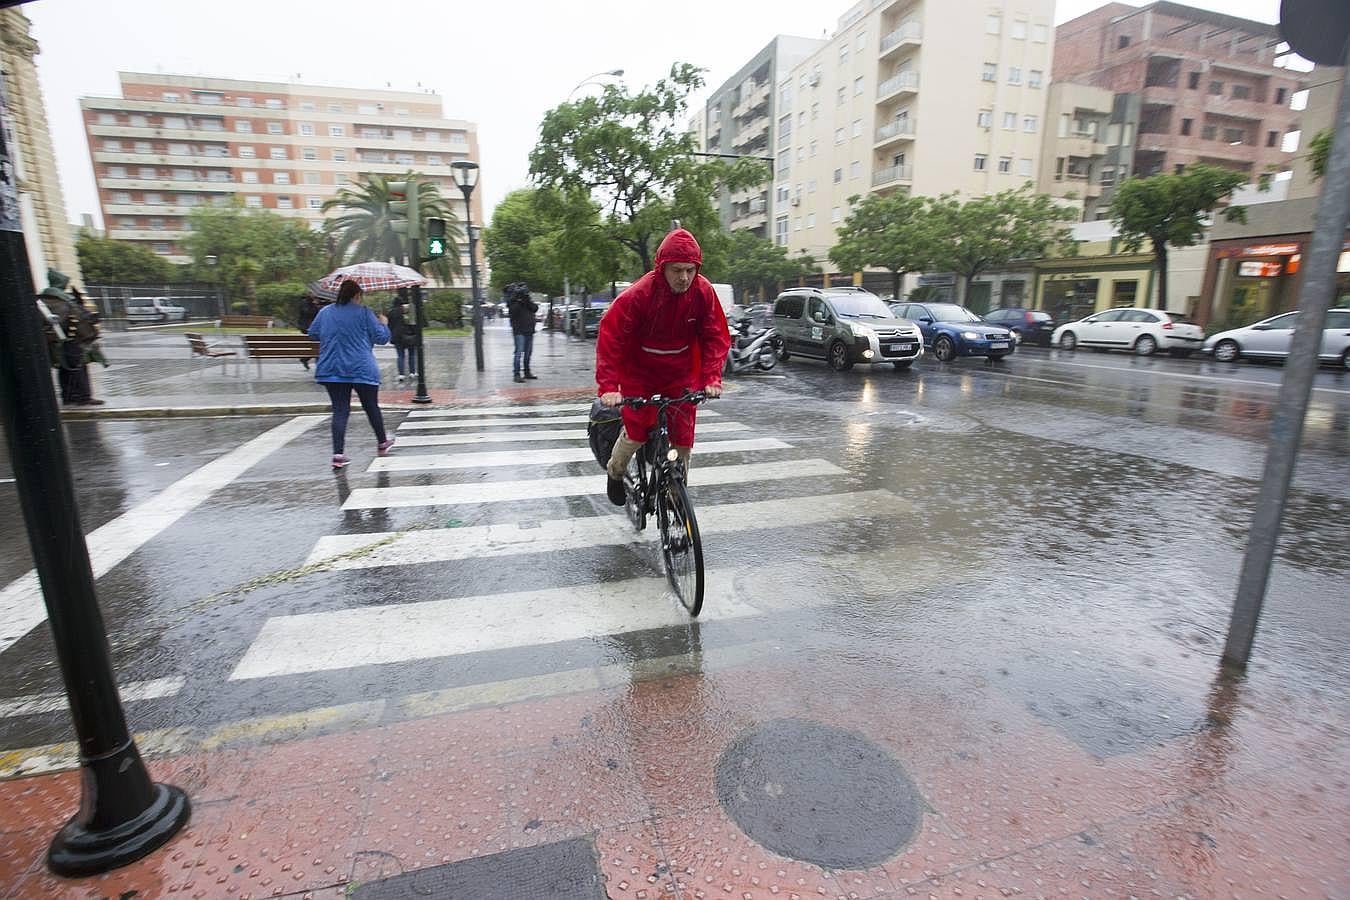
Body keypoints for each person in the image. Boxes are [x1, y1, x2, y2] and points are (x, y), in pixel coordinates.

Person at [595, 228, 731, 505]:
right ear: (662, 267)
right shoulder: (639, 295)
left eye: (690, 271)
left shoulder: (703, 292)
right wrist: (609, 387)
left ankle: (675, 492)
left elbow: (716, 336)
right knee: (637, 432)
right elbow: (611, 337)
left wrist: (712, 378)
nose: (684, 277)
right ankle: (615, 470)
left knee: (683, 436)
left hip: (680, 371)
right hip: (640, 370)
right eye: (677, 270)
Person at [307, 279, 394, 469]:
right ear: (356, 295)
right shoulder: (364, 313)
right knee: (371, 406)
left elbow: (313, 333)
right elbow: (382, 338)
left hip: (332, 368)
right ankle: (382, 443)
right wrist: (384, 324)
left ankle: (338, 454)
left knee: (340, 410)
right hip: (361, 367)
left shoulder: (325, 312)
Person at [37, 269, 104, 406]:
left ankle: (68, 397)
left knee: (65, 368)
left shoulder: (45, 298)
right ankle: (83, 397)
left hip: (58, 340)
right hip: (72, 339)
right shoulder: (61, 299)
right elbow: (74, 317)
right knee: (78, 367)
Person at [506, 282, 539, 383]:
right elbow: (513, 312)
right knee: (519, 352)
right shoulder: (513, 302)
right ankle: (516, 374)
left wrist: (526, 299)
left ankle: (527, 372)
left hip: (529, 330)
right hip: (519, 331)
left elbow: (535, 308)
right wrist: (518, 300)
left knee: (528, 353)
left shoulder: (527, 301)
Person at [386, 298, 418, 383]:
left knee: (400, 356)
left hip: (397, 337)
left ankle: (401, 374)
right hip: (409, 336)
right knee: (411, 354)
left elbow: (389, 325)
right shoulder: (407, 311)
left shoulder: (391, 312)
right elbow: (412, 323)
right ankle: (412, 372)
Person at [297, 293, 322, 370]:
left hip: (312, 327)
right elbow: (308, 312)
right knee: (317, 345)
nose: (313, 295)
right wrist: (316, 306)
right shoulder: (305, 302)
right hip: (307, 327)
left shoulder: (313, 302)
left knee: (315, 345)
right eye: (312, 294)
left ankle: (305, 359)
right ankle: (308, 360)